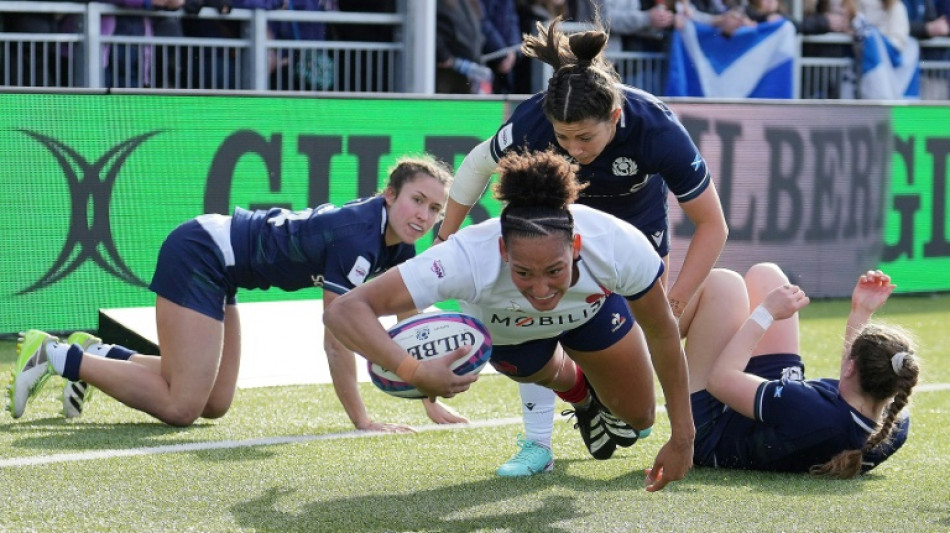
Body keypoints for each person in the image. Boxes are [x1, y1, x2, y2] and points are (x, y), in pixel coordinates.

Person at [436, 15, 727, 476]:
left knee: (636, 412)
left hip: (635, 228)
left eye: (585, 137)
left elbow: (713, 224)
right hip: (553, 218)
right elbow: (476, 164)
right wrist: (445, 237)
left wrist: (673, 301)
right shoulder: (533, 118)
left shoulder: (656, 127)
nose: (573, 148)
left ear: (615, 117)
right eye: (563, 137)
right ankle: (537, 444)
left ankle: (602, 403)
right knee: (531, 314)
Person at [324, 149, 695, 492]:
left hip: (590, 315)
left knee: (640, 419)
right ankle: (583, 398)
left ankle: (601, 397)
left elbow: (662, 333)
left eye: (555, 270)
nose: (540, 289)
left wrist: (682, 438)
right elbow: (343, 311)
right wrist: (413, 370)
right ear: (502, 250)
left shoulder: (617, 243)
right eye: (522, 272)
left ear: (576, 247)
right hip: (514, 337)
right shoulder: (465, 258)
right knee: (553, 373)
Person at [8, 155, 468, 432]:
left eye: (436, 208)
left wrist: (428, 398)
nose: (425, 215)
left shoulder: (398, 243)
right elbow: (338, 335)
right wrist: (362, 421)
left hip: (226, 272)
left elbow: (411, 326)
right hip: (202, 252)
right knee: (181, 406)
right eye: (417, 200)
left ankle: (97, 354)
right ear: (389, 195)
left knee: (214, 403)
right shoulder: (357, 236)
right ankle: (54, 355)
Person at [681, 263, 918, 474]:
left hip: (714, 432)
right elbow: (853, 386)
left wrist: (766, 314)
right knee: (768, 276)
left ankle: (652, 335)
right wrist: (861, 311)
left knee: (724, 286)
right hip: (775, 416)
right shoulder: (893, 426)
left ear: (851, 367)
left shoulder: (809, 408)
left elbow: (720, 380)